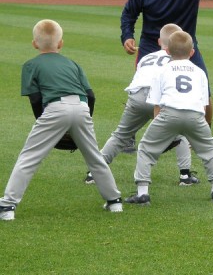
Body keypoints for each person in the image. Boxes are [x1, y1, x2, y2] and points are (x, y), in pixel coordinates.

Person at [0, 20, 123, 221]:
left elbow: (36, 99)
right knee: (95, 157)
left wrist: (46, 123)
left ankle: (7, 206)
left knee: (30, 156)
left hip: (55, 108)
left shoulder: (31, 64)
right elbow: (91, 96)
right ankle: (114, 202)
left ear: (34, 44)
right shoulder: (73, 63)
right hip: (82, 107)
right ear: (61, 43)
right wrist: (82, 124)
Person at [83, 24, 199, 187]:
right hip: (159, 97)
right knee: (180, 133)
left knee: (121, 135)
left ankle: (93, 173)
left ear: (159, 41)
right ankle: (185, 176)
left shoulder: (146, 57)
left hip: (137, 96)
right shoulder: (177, 59)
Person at [124, 31, 213, 205]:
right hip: (195, 114)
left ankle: (142, 193)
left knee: (146, 149)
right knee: (209, 150)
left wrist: (159, 128)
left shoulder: (161, 71)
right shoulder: (199, 71)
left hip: (169, 113)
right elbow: (204, 104)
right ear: (192, 52)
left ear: (168, 51)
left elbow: (157, 104)